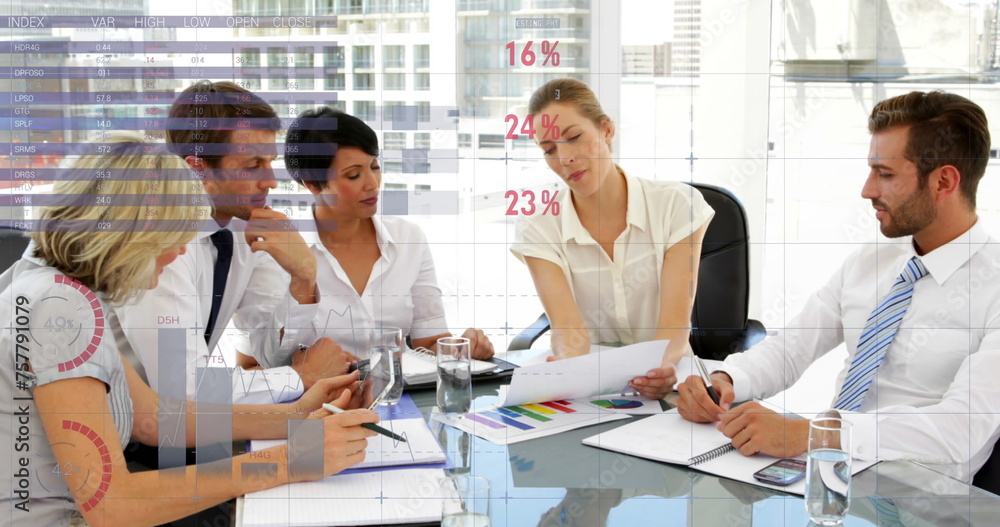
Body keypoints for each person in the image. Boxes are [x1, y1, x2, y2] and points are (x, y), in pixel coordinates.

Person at [0, 133, 378, 527]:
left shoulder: (64, 292)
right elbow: (114, 505)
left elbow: (155, 418)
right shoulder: (57, 311)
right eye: (172, 234)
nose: (181, 251)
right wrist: (288, 460)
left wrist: (297, 414)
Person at [676, 90, 998, 484]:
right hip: (828, 479)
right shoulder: (873, 260)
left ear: (944, 181)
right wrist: (724, 382)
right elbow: (791, 348)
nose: (867, 190)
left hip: (921, 499)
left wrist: (814, 434)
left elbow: (961, 431)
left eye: (886, 174)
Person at [114, 81, 351, 406]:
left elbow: (270, 354)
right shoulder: (159, 243)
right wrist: (300, 377)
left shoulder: (247, 228)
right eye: (252, 166)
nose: (269, 181)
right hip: (120, 434)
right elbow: (180, 388)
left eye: (270, 163)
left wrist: (304, 277)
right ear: (198, 171)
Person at [510, 78, 715, 399]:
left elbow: (675, 327)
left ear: (607, 130)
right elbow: (568, 331)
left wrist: (658, 371)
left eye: (574, 137)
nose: (564, 158)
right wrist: (566, 363)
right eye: (549, 149)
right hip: (594, 387)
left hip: (673, 381)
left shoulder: (678, 205)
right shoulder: (539, 224)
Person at [245, 106, 494, 370]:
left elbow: (429, 343)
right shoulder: (275, 250)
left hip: (399, 398)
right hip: (318, 404)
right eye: (354, 174)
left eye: (374, 166)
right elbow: (256, 363)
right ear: (312, 184)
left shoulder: (408, 238)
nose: (372, 183)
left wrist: (461, 347)